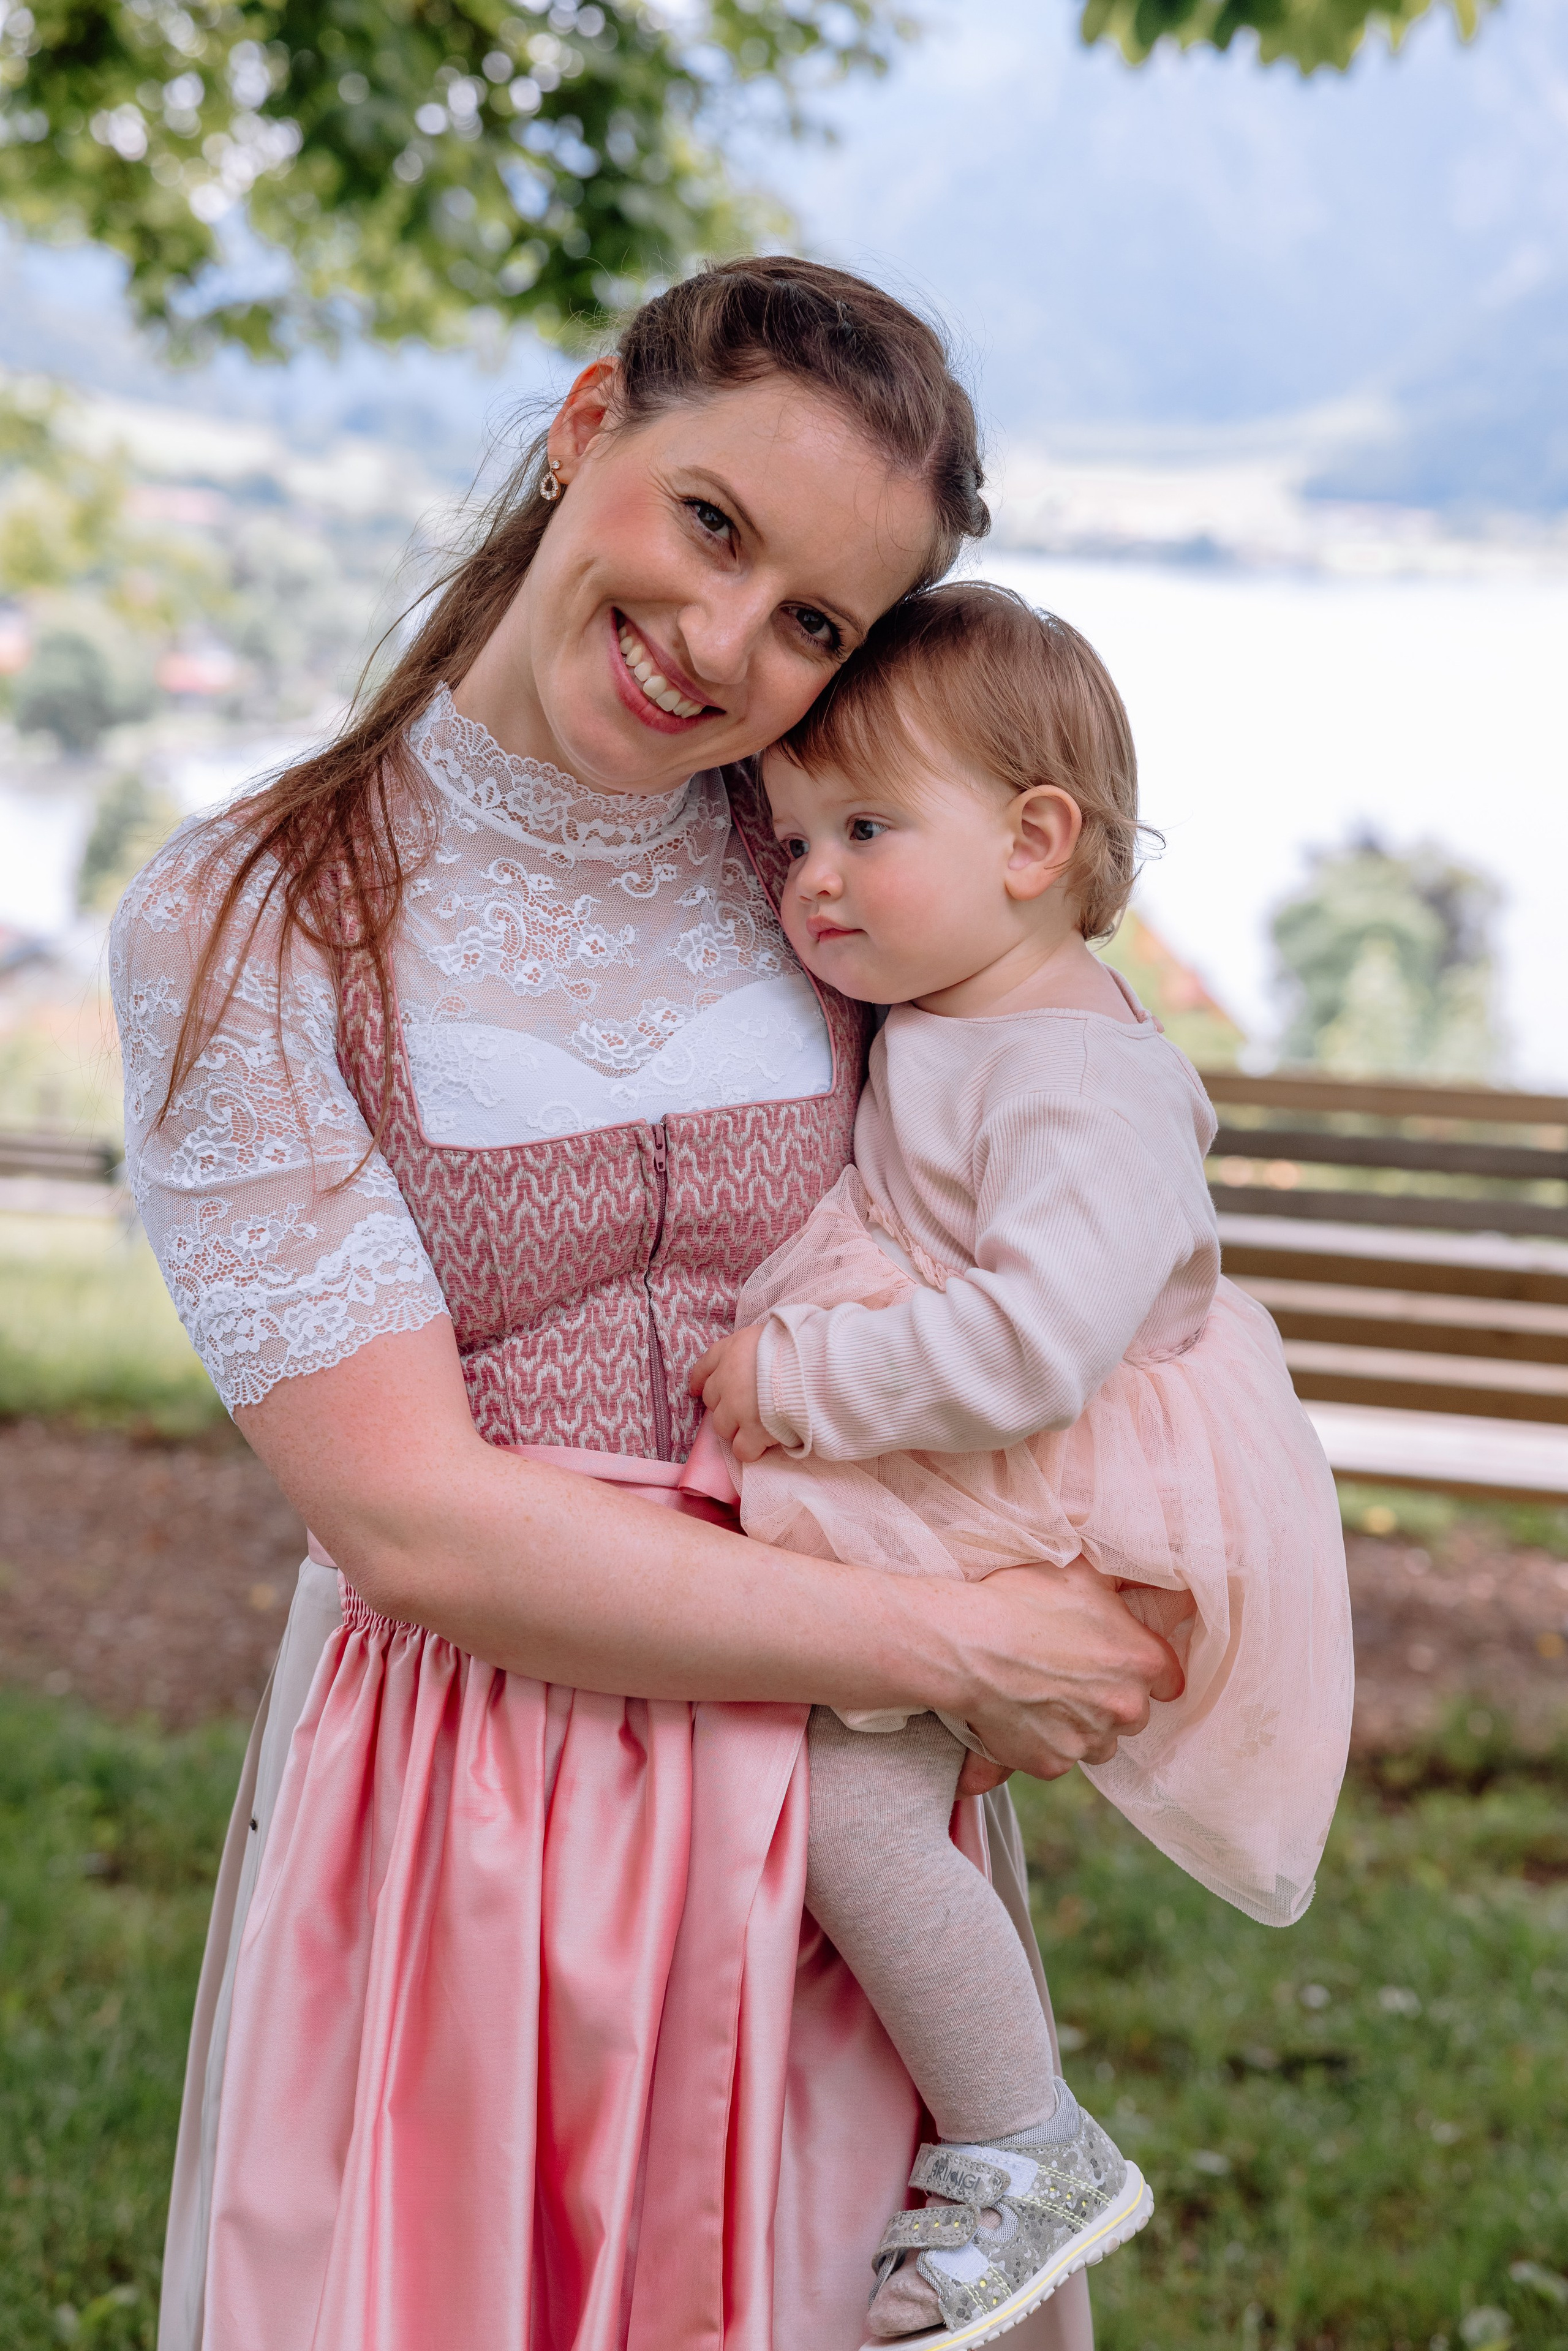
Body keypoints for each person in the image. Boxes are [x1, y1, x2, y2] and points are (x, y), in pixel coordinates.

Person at [113, 260, 1182, 2351]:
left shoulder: (821, 866)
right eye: (713, 523)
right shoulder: (251, 917)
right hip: (481, 1808)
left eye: (815, 622)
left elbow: (1079, 1126)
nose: (725, 644)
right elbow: (413, 1520)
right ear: (589, 424)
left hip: (854, 1806)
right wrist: (952, 1638)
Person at [690, 583, 1354, 2343]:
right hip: (986, 1462)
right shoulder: (968, 1005)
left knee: (853, 1804)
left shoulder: (1077, 1076)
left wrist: (806, 1377)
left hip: (1049, 1474)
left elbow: (1034, 1345)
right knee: (860, 1785)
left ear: (1038, 841)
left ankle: (1027, 2145)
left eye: (866, 829)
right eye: (795, 839)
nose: (813, 878)